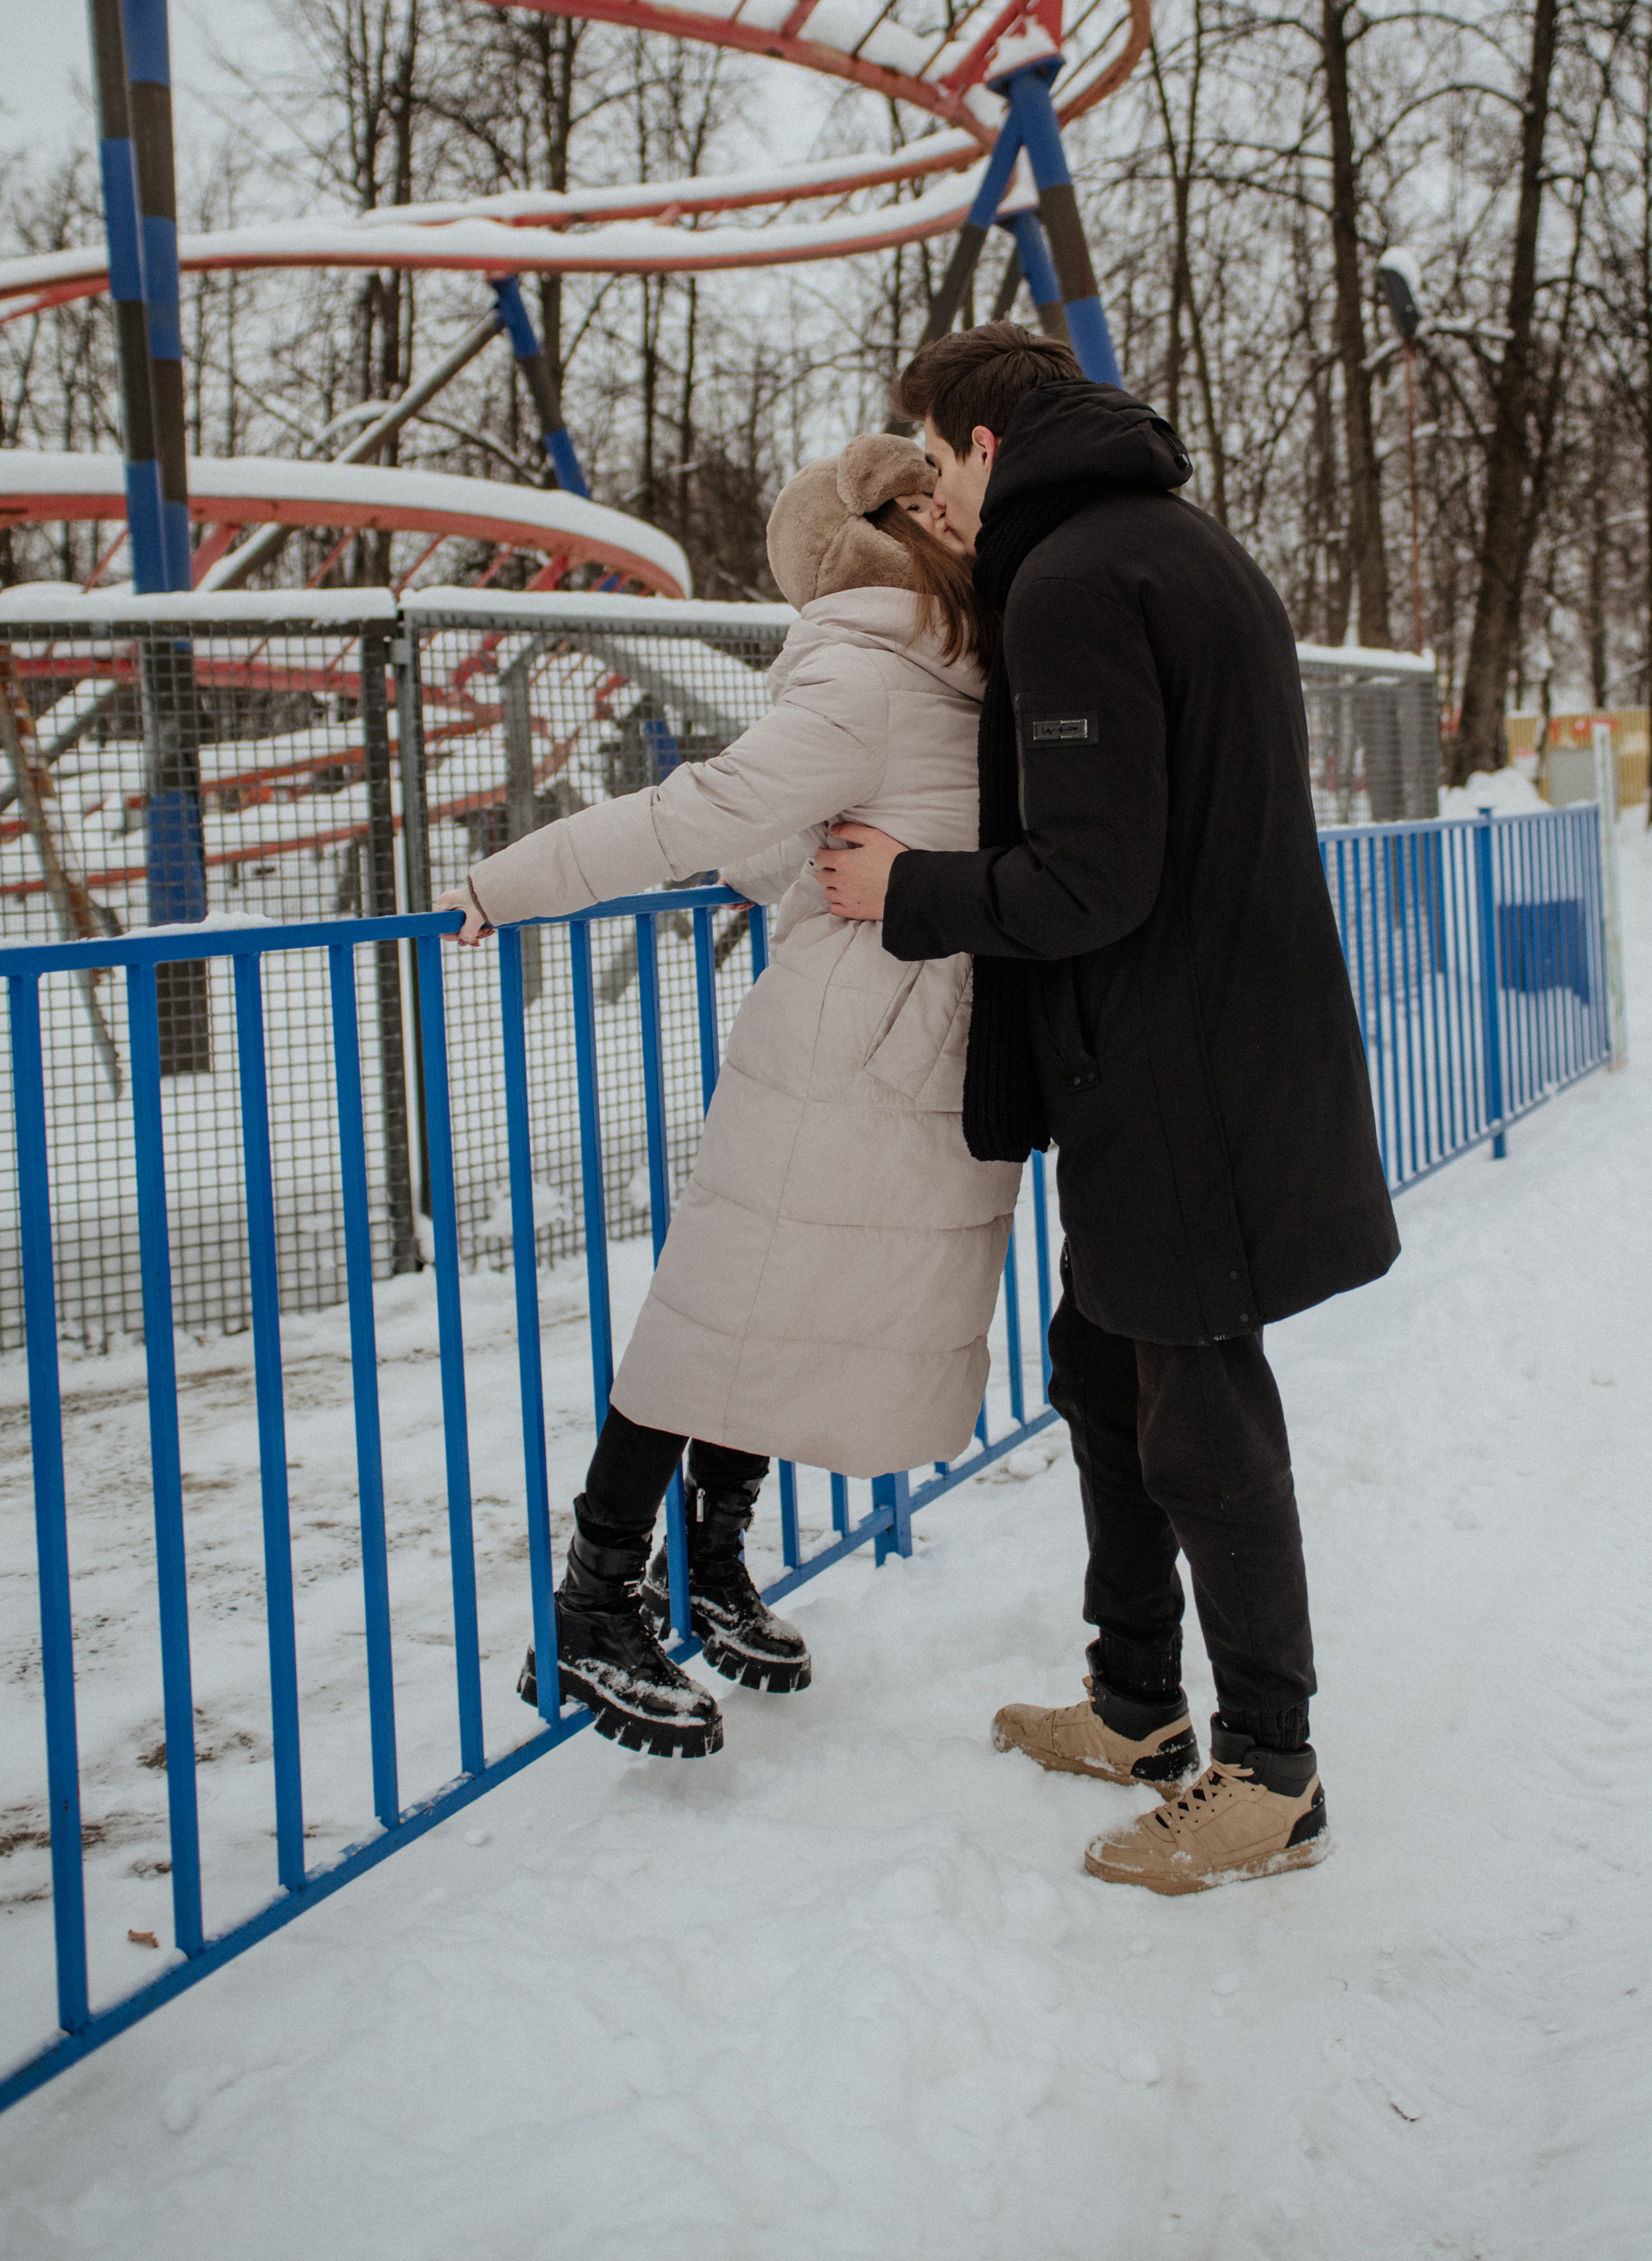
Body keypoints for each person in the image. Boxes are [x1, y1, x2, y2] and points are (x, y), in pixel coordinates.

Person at [814, 326, 1399, 1894]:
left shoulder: (1076, 579)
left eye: (933, 463)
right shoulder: (1165, 542)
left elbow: (1092, 874)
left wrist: (903, 887)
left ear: (985, 448)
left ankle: (1268, 1776)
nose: (928, 496)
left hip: (1179, 1071)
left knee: (1200, 1418)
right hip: (1197, 1046)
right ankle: (1139, 1703)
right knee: (1102, 1370)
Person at [438, 436, 1023, 1759]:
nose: (948, 510)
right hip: (838, 1047)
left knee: (784, 1309)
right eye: (919, 499)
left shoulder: (952, 652)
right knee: (726, 1308)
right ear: (870, 534)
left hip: (910, 1034)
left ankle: (706, 1561)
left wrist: (812, 858)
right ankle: (592, 1599)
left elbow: (782, 838)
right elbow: (697, 817)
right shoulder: (870, 659)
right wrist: (504, 885)